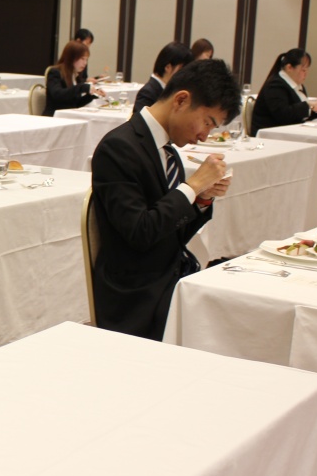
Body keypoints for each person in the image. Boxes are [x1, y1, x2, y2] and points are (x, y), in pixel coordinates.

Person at [91, 59, 241, 341]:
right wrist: (192, 186)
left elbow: (171, 233)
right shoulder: (119, 147)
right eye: (207, 122)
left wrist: (201, 199)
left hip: (170, 279)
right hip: (137, 296)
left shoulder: (168, 152)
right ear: (181, 100)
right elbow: (140, 232)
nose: (204, 136)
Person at [250, 48, 317, 134]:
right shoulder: (275, 85)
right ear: (289, 67)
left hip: (290, 130)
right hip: (271, 132)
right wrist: (308, 105)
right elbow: (283, 114)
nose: (306, 74)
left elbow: (301, 113)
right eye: (303, 70)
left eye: (307, 70)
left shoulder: (298, 86)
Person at [43, 40, 101, 116]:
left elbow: (75, 104)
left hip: (68, 115)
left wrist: (92, 95)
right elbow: (57, 94)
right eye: (82, 59)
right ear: (71, 57)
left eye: (86, 60)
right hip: (54, 116)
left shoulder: (75, 75)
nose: (85, 63)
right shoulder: (55, 72)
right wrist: (81, 87)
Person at [133, 42, 192, 114]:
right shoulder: (147, 93)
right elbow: (139, 120)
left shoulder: (170, 90)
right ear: (168, 67)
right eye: (182, 70)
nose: (184, 75)